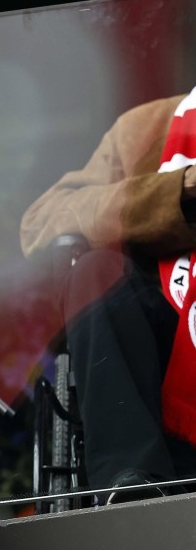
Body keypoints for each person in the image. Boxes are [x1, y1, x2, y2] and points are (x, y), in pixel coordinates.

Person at [20, 90, 196, 503]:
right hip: (164, 347)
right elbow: (40, 223)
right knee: (97, 271)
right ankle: (131, 484)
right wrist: (179, 190)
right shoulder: (149, 125)